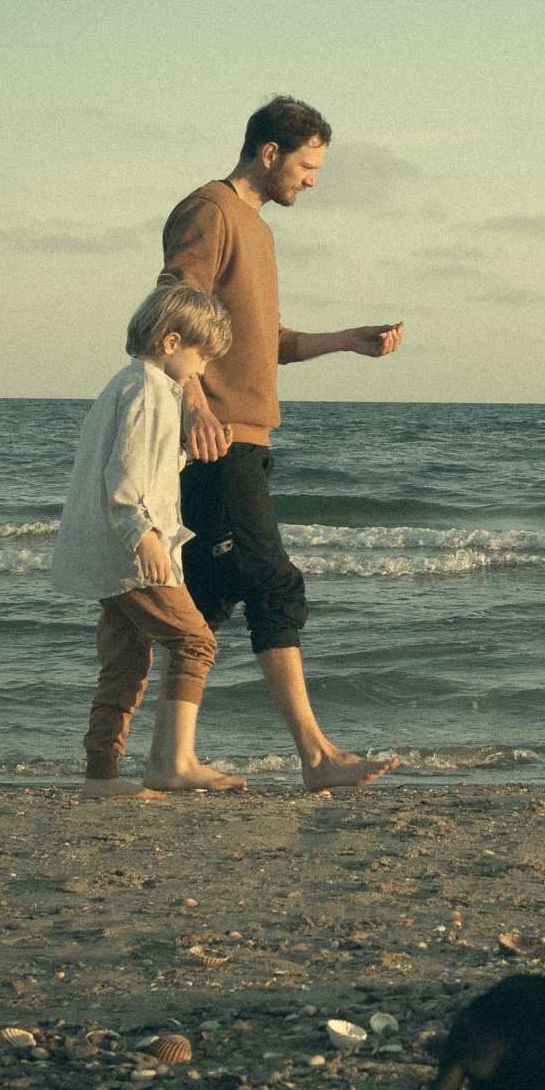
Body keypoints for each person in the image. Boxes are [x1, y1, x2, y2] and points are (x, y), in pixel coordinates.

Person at [160, 96, 403, 789]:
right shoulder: (209, 211)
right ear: (271, 152)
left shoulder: (258, 232)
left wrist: (345, 342)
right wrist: (195, 404)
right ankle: (317, 756)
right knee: (272, 584)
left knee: (205, 603)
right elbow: (170, 310)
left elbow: (263, 342)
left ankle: (169, 759)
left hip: (243, 436)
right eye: (308, 165)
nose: (313, 180)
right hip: (217, 439)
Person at [50, 284, 239, 799]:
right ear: (171, 339)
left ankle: (101, 776)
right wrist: (146, 538)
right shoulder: (151, 390)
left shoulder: (126, 385)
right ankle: (175, 763)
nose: (202, 370)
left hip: (110, 552)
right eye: (200, 357)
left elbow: (139, 464)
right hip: (132, 551)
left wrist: (184, 453)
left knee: (126, 662)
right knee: (195, 641)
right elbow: (127, 475)